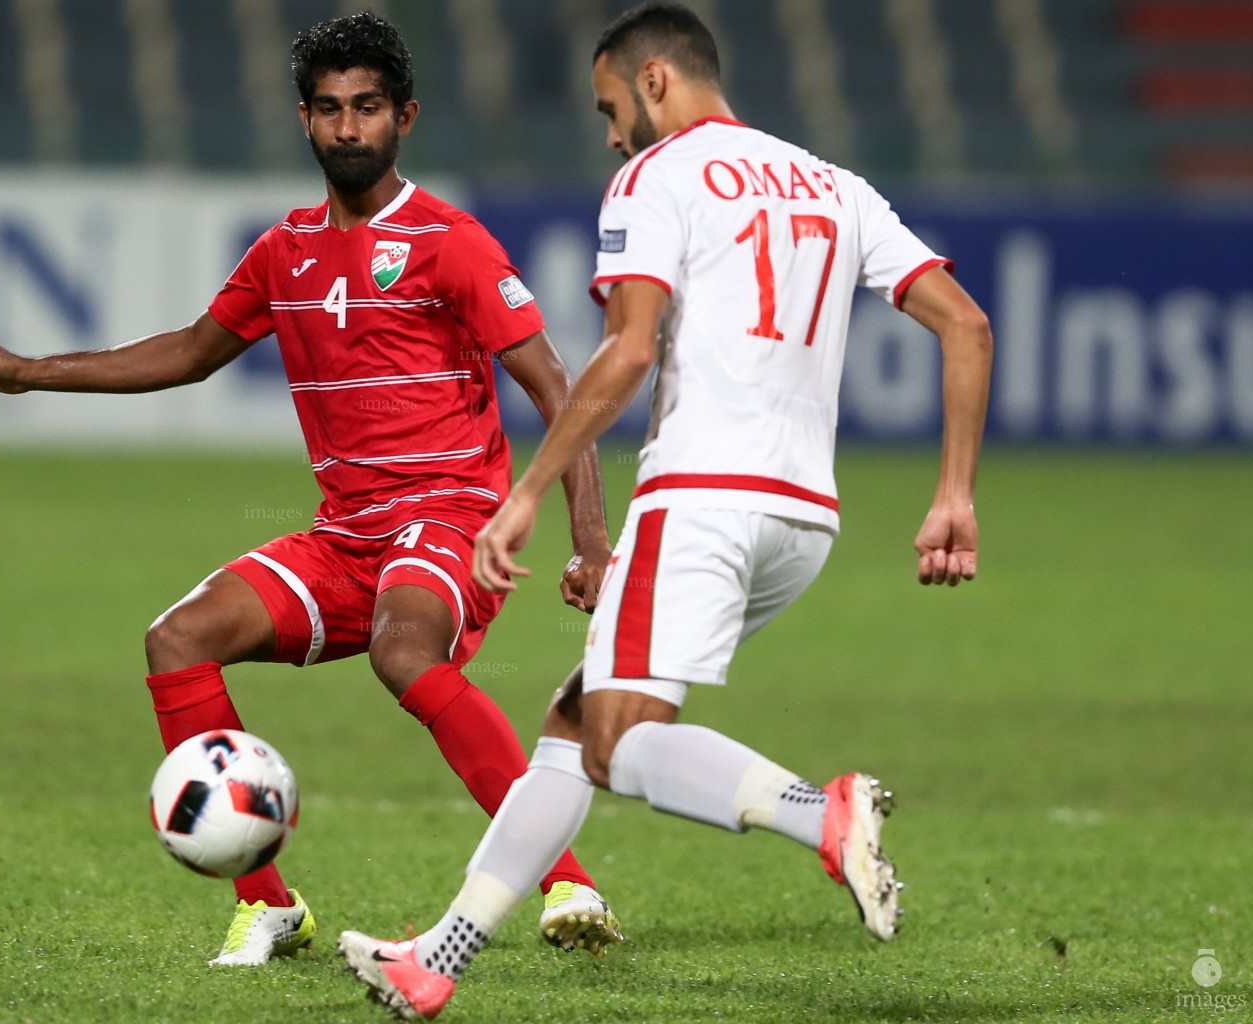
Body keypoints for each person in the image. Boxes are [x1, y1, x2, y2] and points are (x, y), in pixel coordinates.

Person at [338, 2, 993, 1017]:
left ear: (654, 81)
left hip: (700, 499)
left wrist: (524, 497)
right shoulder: (836, 185)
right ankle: (439, 956)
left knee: (616, 744)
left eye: (610, 106)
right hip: (803, 520)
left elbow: (629, 350)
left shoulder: (655, 177)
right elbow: (967, 323)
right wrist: (953, 495)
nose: (609, 134)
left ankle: (822, 812)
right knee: (568, 729)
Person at [0, 12, 623, 968]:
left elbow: (562, 392)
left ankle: (568, 880)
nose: (348, 128)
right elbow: (189, 352)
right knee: (177, 640)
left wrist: (589, 539)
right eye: (330, 110)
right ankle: (269, 906)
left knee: (403, 652)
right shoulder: (283, 251)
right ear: (305, 120)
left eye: (367, 108)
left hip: (450, 516)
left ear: (404, 116)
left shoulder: (448, 242)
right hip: (345, 538)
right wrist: (28, 370)